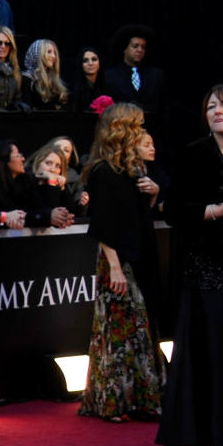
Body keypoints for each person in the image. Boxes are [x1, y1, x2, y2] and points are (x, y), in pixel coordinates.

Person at [157, 85, 223, 446]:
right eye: (210, 106)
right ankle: (213, 440)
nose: (217, 111)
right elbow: (174, 211)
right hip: (210, 269)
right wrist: (222, 210)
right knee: (215, 355)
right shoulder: (196, 154)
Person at [77, 102, 164, 422]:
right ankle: (111, 401)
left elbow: (139, 215)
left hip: (140, 254)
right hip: (117, 259)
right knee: (119, 330)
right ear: (122, 129)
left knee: (141, 328)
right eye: (137, 125)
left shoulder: (135, 169)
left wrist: (154, 194)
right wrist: (114, 265)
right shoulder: (104, 172)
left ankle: (141, 399)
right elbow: (102, 223)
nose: (142, 132)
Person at [104, 25, 165, 116]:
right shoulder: (110, 75)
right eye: (135, 46)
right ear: (125, 48)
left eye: (143, 47)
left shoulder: (156, 75)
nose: (139, 50)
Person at [21, 39, 69, 111]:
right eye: (49, 52)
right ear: (38, 55)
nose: (53, 56)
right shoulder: (26, 79)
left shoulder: (54, 80)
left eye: (55, 53)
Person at [73, 46, 107, 114]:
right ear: (81, 65)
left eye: (94, 59)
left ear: (99, 63)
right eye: (85, 60)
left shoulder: (108, 85)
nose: (90, 63)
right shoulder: (74, 89)